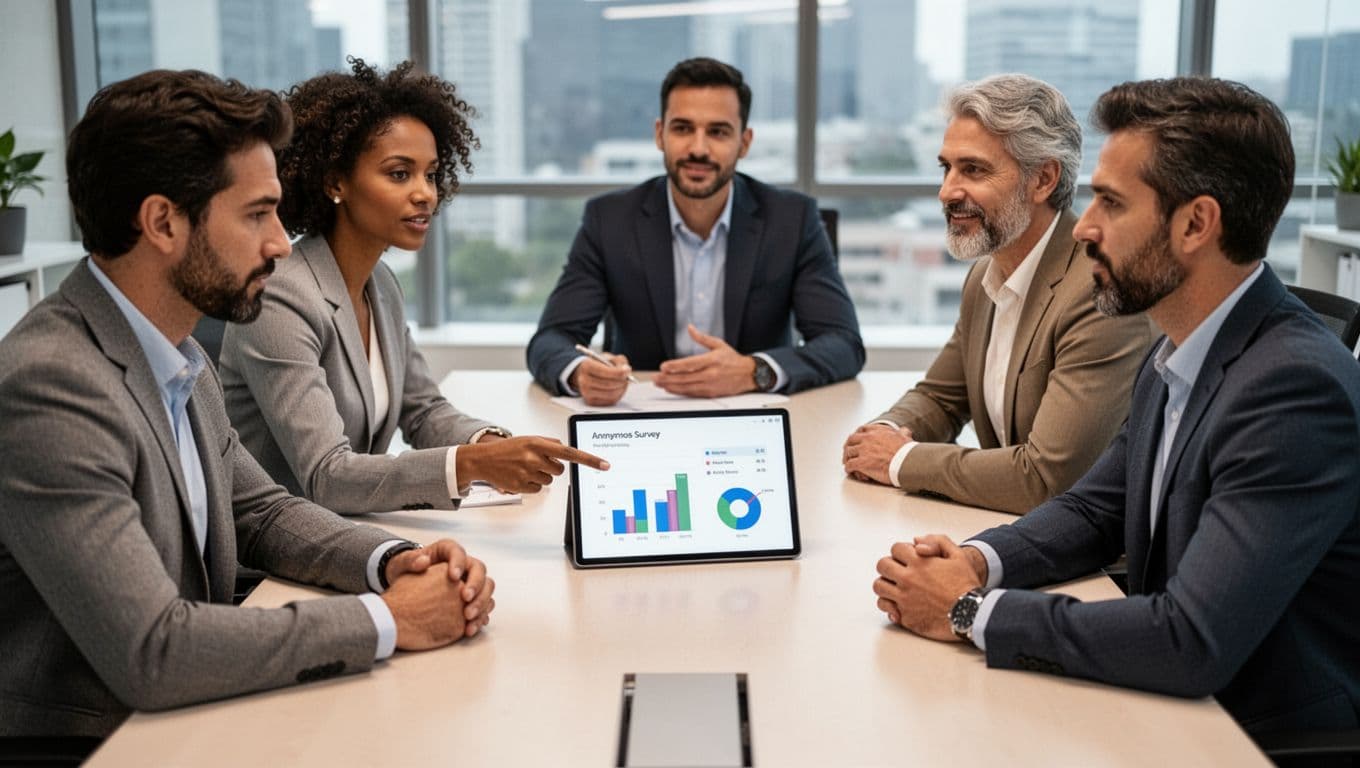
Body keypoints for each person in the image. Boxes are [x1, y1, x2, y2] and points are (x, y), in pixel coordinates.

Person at [0, 70, 496, 739]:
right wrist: (389, 619)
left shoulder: (177, 353)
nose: (278, 243)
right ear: (162, 222)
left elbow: (261, 512)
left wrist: (392, 560)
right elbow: (154, 650)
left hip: (179, 715)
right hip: (90, 740)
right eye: (257, 214)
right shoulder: (52, 385)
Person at [873, 77, 1360, 735]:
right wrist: (978, 561)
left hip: (1253, 733)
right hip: (1169, 704)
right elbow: (1096, 509)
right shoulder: (1179, 348)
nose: (1084, 227)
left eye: (1111, 202)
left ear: (1196, 224)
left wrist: (968, 612)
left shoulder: (1294, 390)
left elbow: (1189, 640)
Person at [220, 59, 606, 516]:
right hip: (272, 548)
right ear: (335, 181)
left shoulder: (381, 285)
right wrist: (471, 464)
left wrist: (493, 445)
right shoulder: (281, 297)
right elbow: (327, 475)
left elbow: (422, 410)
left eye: (431, 174)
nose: (426, 193)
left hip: (351, 529)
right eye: (399, 174)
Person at [843, 74, 1154, 514]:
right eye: (946, 168)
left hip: (1088, 550)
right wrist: (885, 432)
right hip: (1002, 530)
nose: (947, 192)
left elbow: (1045, 480)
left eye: (973, 170)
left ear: (1043, 179)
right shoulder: (985, 276)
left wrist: (899, 460)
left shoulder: (1099, 291)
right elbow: (940, 398)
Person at [526, 57, 864, 406]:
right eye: (683, 128)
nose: (698, 149)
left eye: (718, 132)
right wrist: (581, 372)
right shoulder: (610, 220)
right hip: (642, 417)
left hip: (755, 415)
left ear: (744, 142)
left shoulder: (791, 220)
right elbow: (551, 340)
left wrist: (753, 371)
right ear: (660, 134)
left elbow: (843, 344)